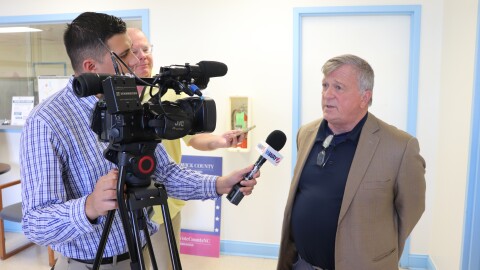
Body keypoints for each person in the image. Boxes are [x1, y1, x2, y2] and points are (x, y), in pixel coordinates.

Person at [20, 12, 259, 270]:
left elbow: (165, 173)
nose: (135, 61)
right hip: (89, 263)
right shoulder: (46, 122)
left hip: (143, 254)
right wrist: (90, 205)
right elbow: (35, 224)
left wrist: (220, 184)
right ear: (91, 67)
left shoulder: (128, 100)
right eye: (124, 55)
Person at [277, 54, 426, 270]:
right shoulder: (306, 133)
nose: (327, 95)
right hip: (301, 264)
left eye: (338, 87)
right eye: (325, 85)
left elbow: (411, 209)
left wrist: (377, 252)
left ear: (365, 98)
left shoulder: (400, 146)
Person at [127, 27, 246, 270]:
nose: (143, 56)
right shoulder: (116, 97)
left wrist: (220, 141)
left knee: (166, 264)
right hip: (126, 200)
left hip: (164, 199)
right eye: (134, 50)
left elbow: (194, 138)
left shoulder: (169, 92)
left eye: (146, 49)